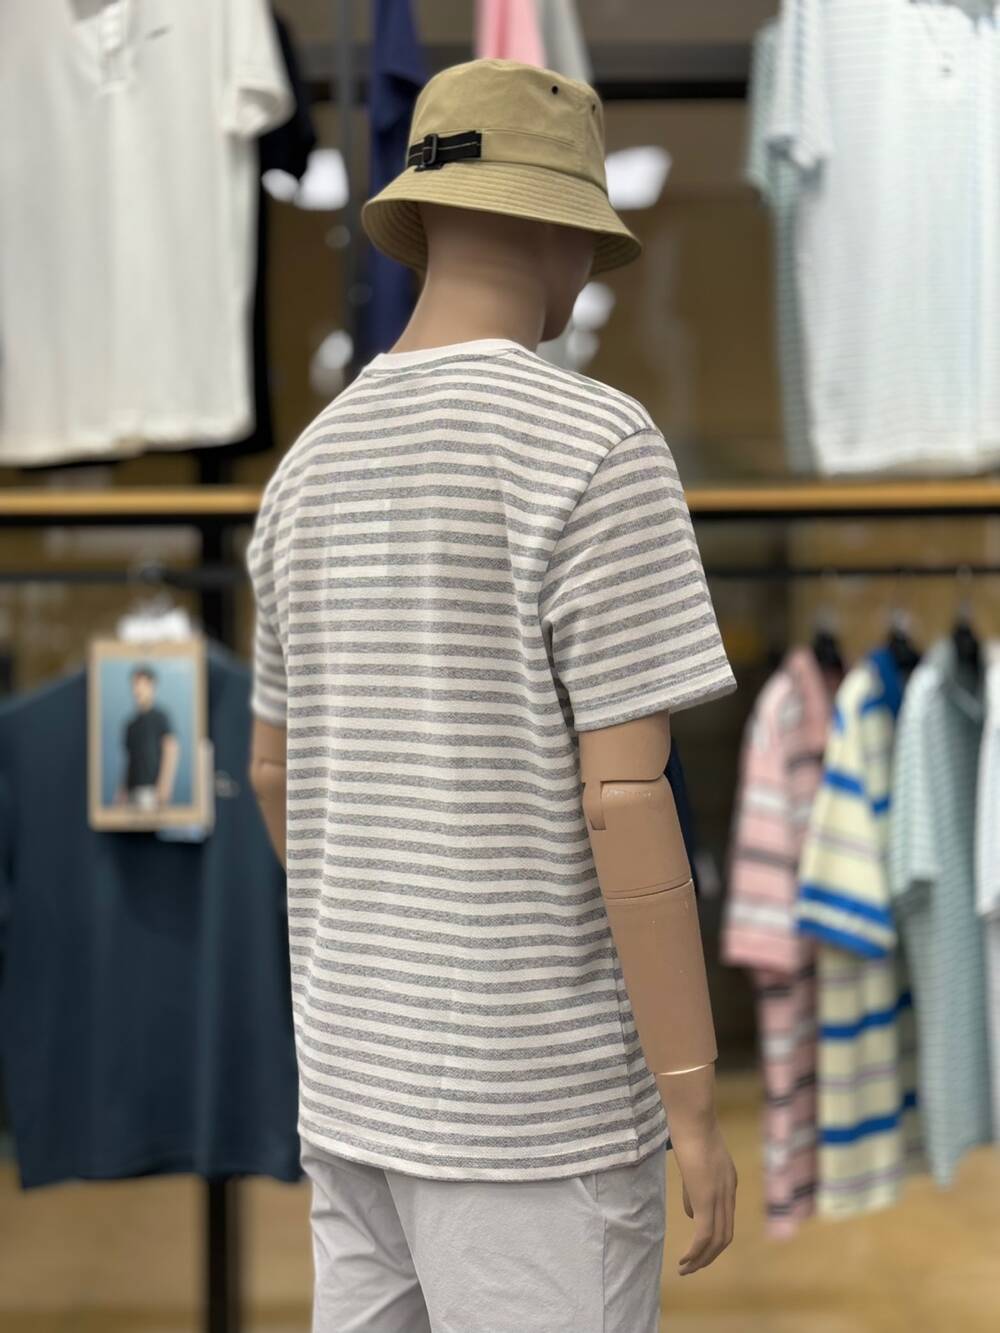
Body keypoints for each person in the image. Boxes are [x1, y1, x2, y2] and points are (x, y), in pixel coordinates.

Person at [247, 57, 737, 1333]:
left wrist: (391, 945)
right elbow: (624, 798)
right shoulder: (595, 446)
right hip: (535, 1108)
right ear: (558, 233)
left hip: (352, 1084)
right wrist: (690, 1095)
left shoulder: (307, 468)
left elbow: (274, 772)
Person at [116, 665, 179, 811]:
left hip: (152, 792)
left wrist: (164, 786)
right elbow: (128, 761)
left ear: (152, 686)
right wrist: (122, 791)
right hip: (131, 793)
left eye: (142, 684)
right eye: (135, 684)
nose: (137, 689)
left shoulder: (160, 717)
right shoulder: (130, 725)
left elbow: (171, 749)